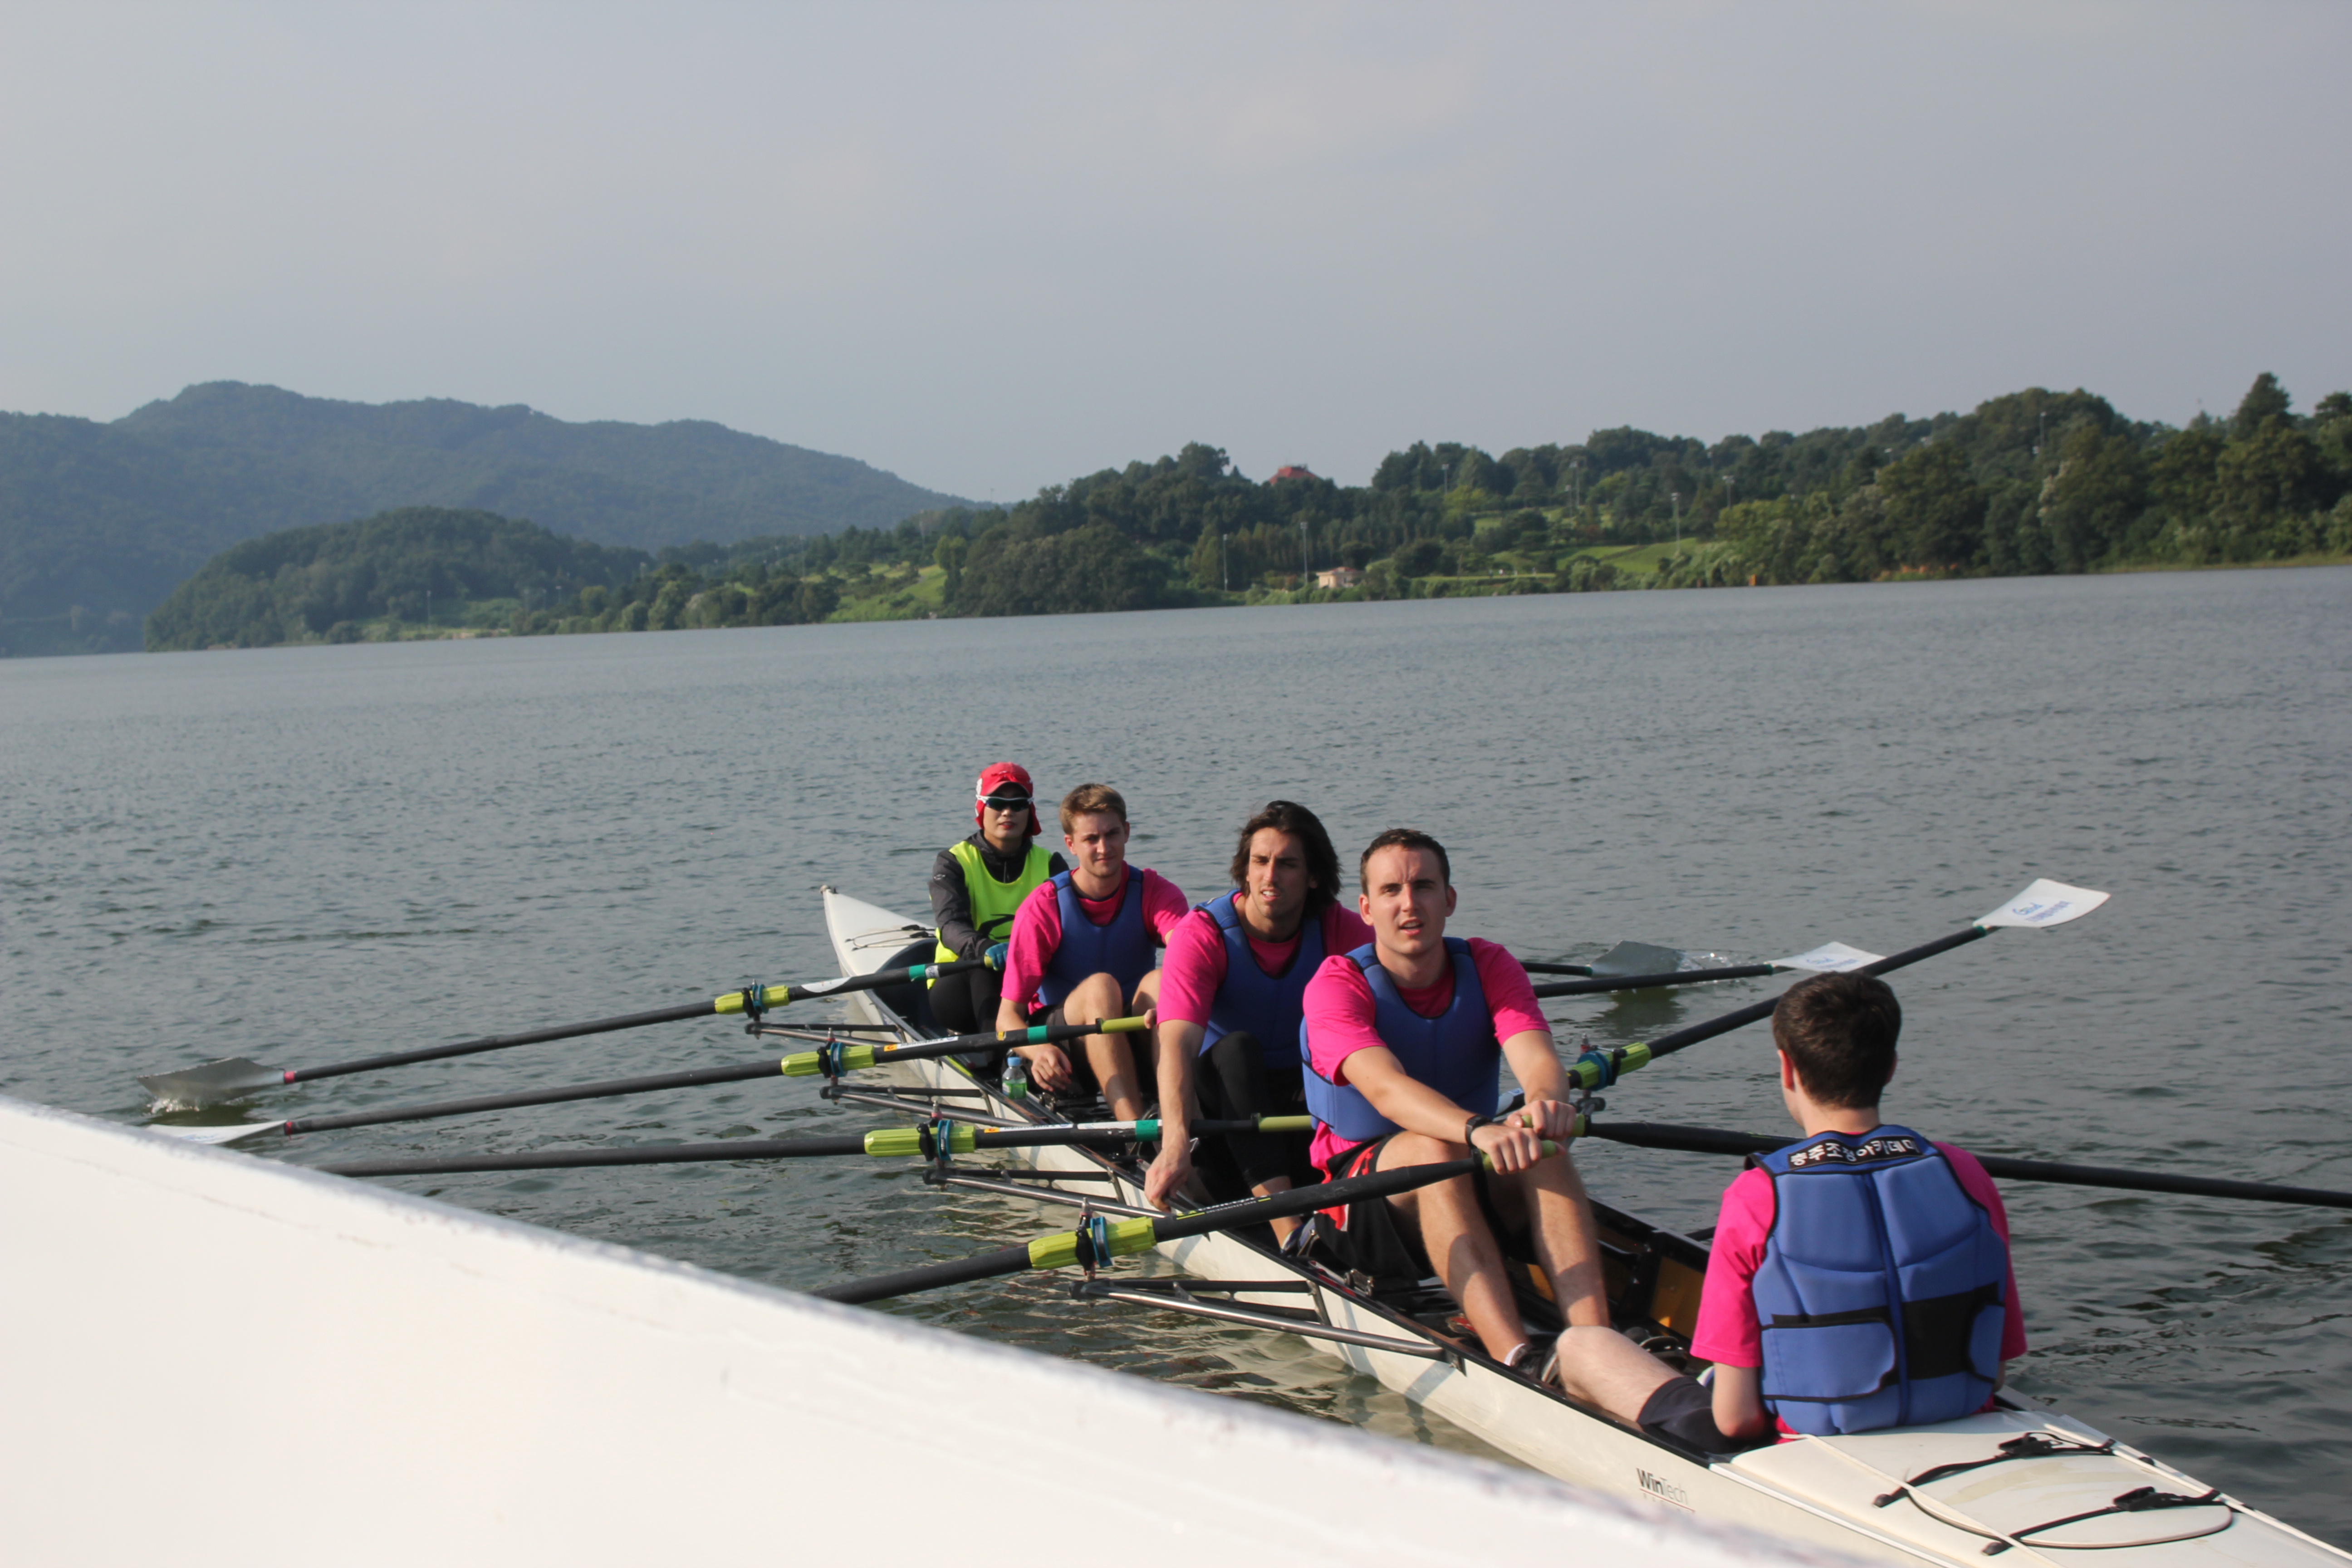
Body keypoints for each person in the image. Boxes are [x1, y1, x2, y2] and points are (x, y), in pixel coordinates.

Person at [1300, 828, 1715, 1442]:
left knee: (1538, 1140)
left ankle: (1593, 1343)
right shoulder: (1337, 983)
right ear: (1366, 909)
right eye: (1391, 891)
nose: (1409, 904)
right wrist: (1476, 1130)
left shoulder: (1489, 965)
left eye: (1424, 887)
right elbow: (1385, 1089)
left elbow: (1537, 1059)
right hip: (1358, 1204)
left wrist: (1547, 1105)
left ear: (1450, 899)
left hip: (1466, 1159)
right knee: (1437, 1148)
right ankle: (1517, 1360)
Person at [1693, 971, 2025, 1441]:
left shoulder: (1756, 1195)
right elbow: (1995, 1373)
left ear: (1787, 1068)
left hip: (1815, 1442)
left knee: (1595, 1347)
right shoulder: (1965, 1174)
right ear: (1891, 1066)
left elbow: (1735, 1420)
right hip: (1960, 1413)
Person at [1145, 801, 1371, 1238]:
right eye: (1261, 862)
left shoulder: (1340, 930)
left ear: (1314, 876)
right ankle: (1290, 1232)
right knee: (1237, 1048)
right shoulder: (1202, 933)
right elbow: (1176, 1047)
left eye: (1287, 864)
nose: (1270, 876)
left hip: (1293, 1112)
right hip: (1218, 1120)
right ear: (1244, 871)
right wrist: (1174, 1145)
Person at [995, 783, 1188, 1121]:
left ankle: (1178, 1117)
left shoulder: (1157, 892)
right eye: (1091, 839)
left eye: (1112, 834)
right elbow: (1007, 1018)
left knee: (1162, 981)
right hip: (1067, 1045)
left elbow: (1187, 951)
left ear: (1127, 832)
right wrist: (1038, 1051)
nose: (1104, 848)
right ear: (1071, 844)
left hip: (1132, 1029)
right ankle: (1134, 1130)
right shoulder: (1044, 906)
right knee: (1101, 988)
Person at [926, 763, 1065, 1036]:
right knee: (986, 967)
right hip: (961, 989)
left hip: (1030, 983)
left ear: (1030, 810)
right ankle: (1001, 1055)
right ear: (981, 807)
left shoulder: (1051, 864)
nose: (1007, 812)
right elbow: (951, 926)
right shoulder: (953, 862)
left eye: (1018, 804)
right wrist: (984, 947)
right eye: (997, 803)